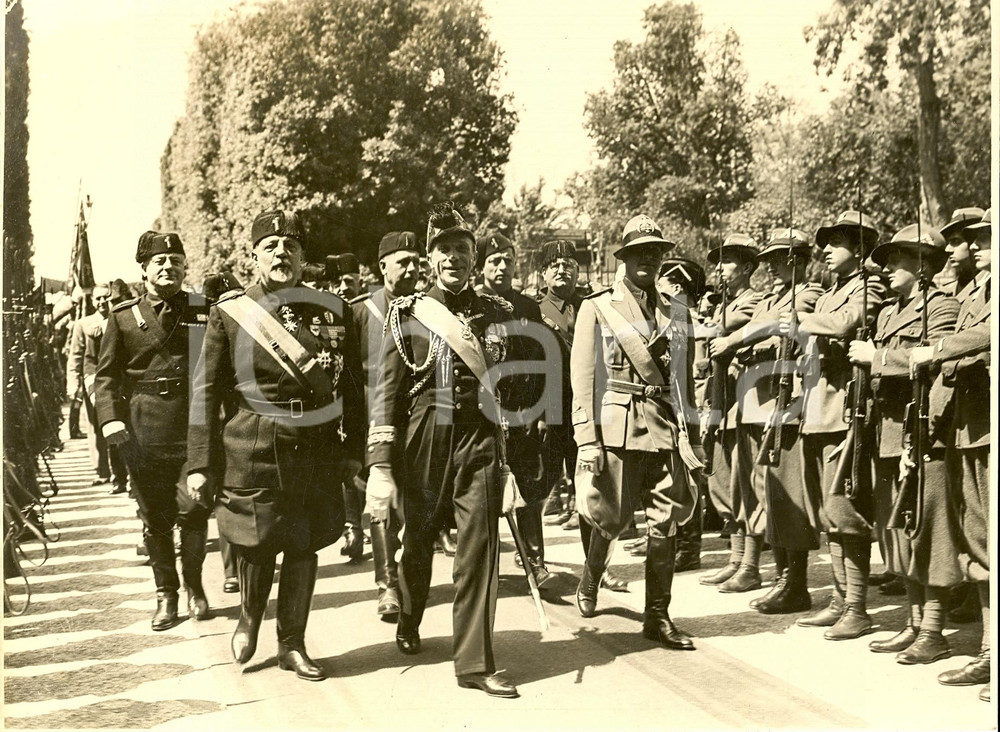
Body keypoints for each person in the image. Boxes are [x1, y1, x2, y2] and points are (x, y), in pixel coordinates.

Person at [187, 210, 364, 681]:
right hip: (255, 441)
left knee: (304, 543)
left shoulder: (333, 309)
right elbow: (205, 392)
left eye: (290, 246)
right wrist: (200, 463)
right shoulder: (231, 311)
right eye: (271, 246)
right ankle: (249, 618)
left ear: (303, 257)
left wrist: (353, 451)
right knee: (258, 541)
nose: (281, 253)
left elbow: (352, 384)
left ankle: (292, 643)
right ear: (254, 257)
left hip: (316, 443)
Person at [365, 202, 522, 698]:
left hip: (479, 436)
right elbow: (386, 394)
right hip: (425, 435)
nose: (453, 257)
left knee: (479, 549)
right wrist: (381, 464)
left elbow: (510, 386)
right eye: (443, 249)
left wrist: (511, 452)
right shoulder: (407, 313)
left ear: (474, 257)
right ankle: (410, 617)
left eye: (461, 249)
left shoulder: (499, 313)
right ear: (430, 257)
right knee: (419, 539)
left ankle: (474, 663)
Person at [570, 214, 702, 650]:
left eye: (654, 251)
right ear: (623, 258)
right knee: (610, 516)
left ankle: (658, 617)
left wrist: (694, 438)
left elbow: (684, 379)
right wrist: (585, 438)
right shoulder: (597, 305)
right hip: (618, 427)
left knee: (665, 523)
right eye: (638, 252)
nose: (647, 258)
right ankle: (591, 576)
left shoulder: (677, 309)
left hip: (664, 427)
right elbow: (583, 378)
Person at [848, 223, 961, 664]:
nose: (887, 267)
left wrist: (876, 358)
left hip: (923, 434)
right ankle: (914, 623)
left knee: (927, 530)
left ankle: (934, 629)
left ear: (923, 263)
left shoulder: (944, 308)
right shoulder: (891, 312)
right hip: (888, 433)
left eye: (897, 259)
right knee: (899, 531)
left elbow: (936, 361)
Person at [95, 231, 213, 631]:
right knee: (155, 518)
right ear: (143, 269)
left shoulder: (202, 309)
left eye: (175, 261)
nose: (168, 268)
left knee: (195, 509)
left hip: (194, 425)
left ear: (184, 268)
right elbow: (106, 376)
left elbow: (219, 367)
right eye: (159, 262)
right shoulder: (123, 317)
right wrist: (111, 417)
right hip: (143, 433)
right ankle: (167, 594)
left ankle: (196, 587)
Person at [708, 230, 822, 611]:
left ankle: (796, 583)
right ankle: (781, 577)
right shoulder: (771, 298)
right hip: (757, 402)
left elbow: (774, 323)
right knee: (765, 493)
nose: (772, 265)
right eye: (770, 258)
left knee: (788, 495)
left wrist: (738, 340)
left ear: (801, 261)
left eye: (780, 258)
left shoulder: (808, 292)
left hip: (784, 405)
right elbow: (759, 329)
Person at [792, 211, 886, 639]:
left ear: (860, 248)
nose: (825, 250)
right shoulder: (833, 292)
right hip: (818, 411)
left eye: (837, 242)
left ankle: (857, 606)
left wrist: (804, 319)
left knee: (846, 511)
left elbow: (844, 325)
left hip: (846, 411)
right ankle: (838, 598)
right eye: (824, 242)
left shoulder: (870, 286)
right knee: (829, 513)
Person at [909, 210, 990, 702]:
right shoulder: (972, 294)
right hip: (968, 429)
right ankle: (988, 649)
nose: (976, 246)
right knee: (980, 541)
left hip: (988, 428)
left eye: (986, 238)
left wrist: (936, 348)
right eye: (975, 240)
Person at [350, 230, 423, 621]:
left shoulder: (428, 309)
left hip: (418, 420)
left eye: (416, 262)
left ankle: (409, 578)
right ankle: (386, 586)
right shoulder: (361, 312)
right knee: (379, 503)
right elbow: (347, 375)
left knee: (412, 501)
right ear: (382, 267)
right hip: (372, 421)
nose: (412, 269)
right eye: (403, 262)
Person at [477, 232, 553, 589]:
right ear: (481, 266)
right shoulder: (473, 305)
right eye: (494, 260)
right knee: (485, 490)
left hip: (522, 412)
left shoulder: (528, 308)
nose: (502, 266)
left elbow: (541, 361)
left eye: (507, 259)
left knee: (529, 485)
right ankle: (486, 562)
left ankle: (535, 562)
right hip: (485, 414)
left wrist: (537, 411)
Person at [697, 235, 763, 587]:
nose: (719, 269)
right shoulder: (724, 303)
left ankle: (750, 564)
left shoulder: (753, 303)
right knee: (721, 479)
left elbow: (719, 329)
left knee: (744, 480)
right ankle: (736, 558)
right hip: (721, 398)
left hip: (744, 400)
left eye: (728, 262)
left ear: (748, 268)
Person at [653, 256, 708, 571]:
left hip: (680, 405)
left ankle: (689, 548)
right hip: (672, 403)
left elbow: (683, 373)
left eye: (662, 282)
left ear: (674, 285)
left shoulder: (678, 314)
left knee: (685, 476)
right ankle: (676, 543)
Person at [69, 283, 129, 493]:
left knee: (121, 422)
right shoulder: (83, 324)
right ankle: (103, 471)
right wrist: (73, 383)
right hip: (93, 380)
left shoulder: (121, 318)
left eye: (106, 298)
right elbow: (76, 355)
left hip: (119, 379)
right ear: (92, 301)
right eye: (98, 299)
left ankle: (122, 474)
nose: (102, 302)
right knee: (97, 426)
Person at [939, 207, 985, 298]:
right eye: (948, 243)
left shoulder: (988, 285)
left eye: (955, 241)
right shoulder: (947, 290)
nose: (948, 249)